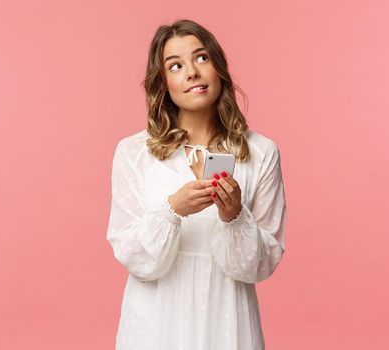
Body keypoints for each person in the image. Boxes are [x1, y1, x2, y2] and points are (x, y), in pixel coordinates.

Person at [106, 18, 287, 350]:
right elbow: (129, 251)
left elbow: (262, 264)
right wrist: (172, 210)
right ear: (164, 84)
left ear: (218, 67)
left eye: (201, 58)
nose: (192, 71)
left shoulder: (260, 153)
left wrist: (235, 216)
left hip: (228, 321)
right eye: (175, 66)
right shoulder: (134, 153)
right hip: (155, 323)